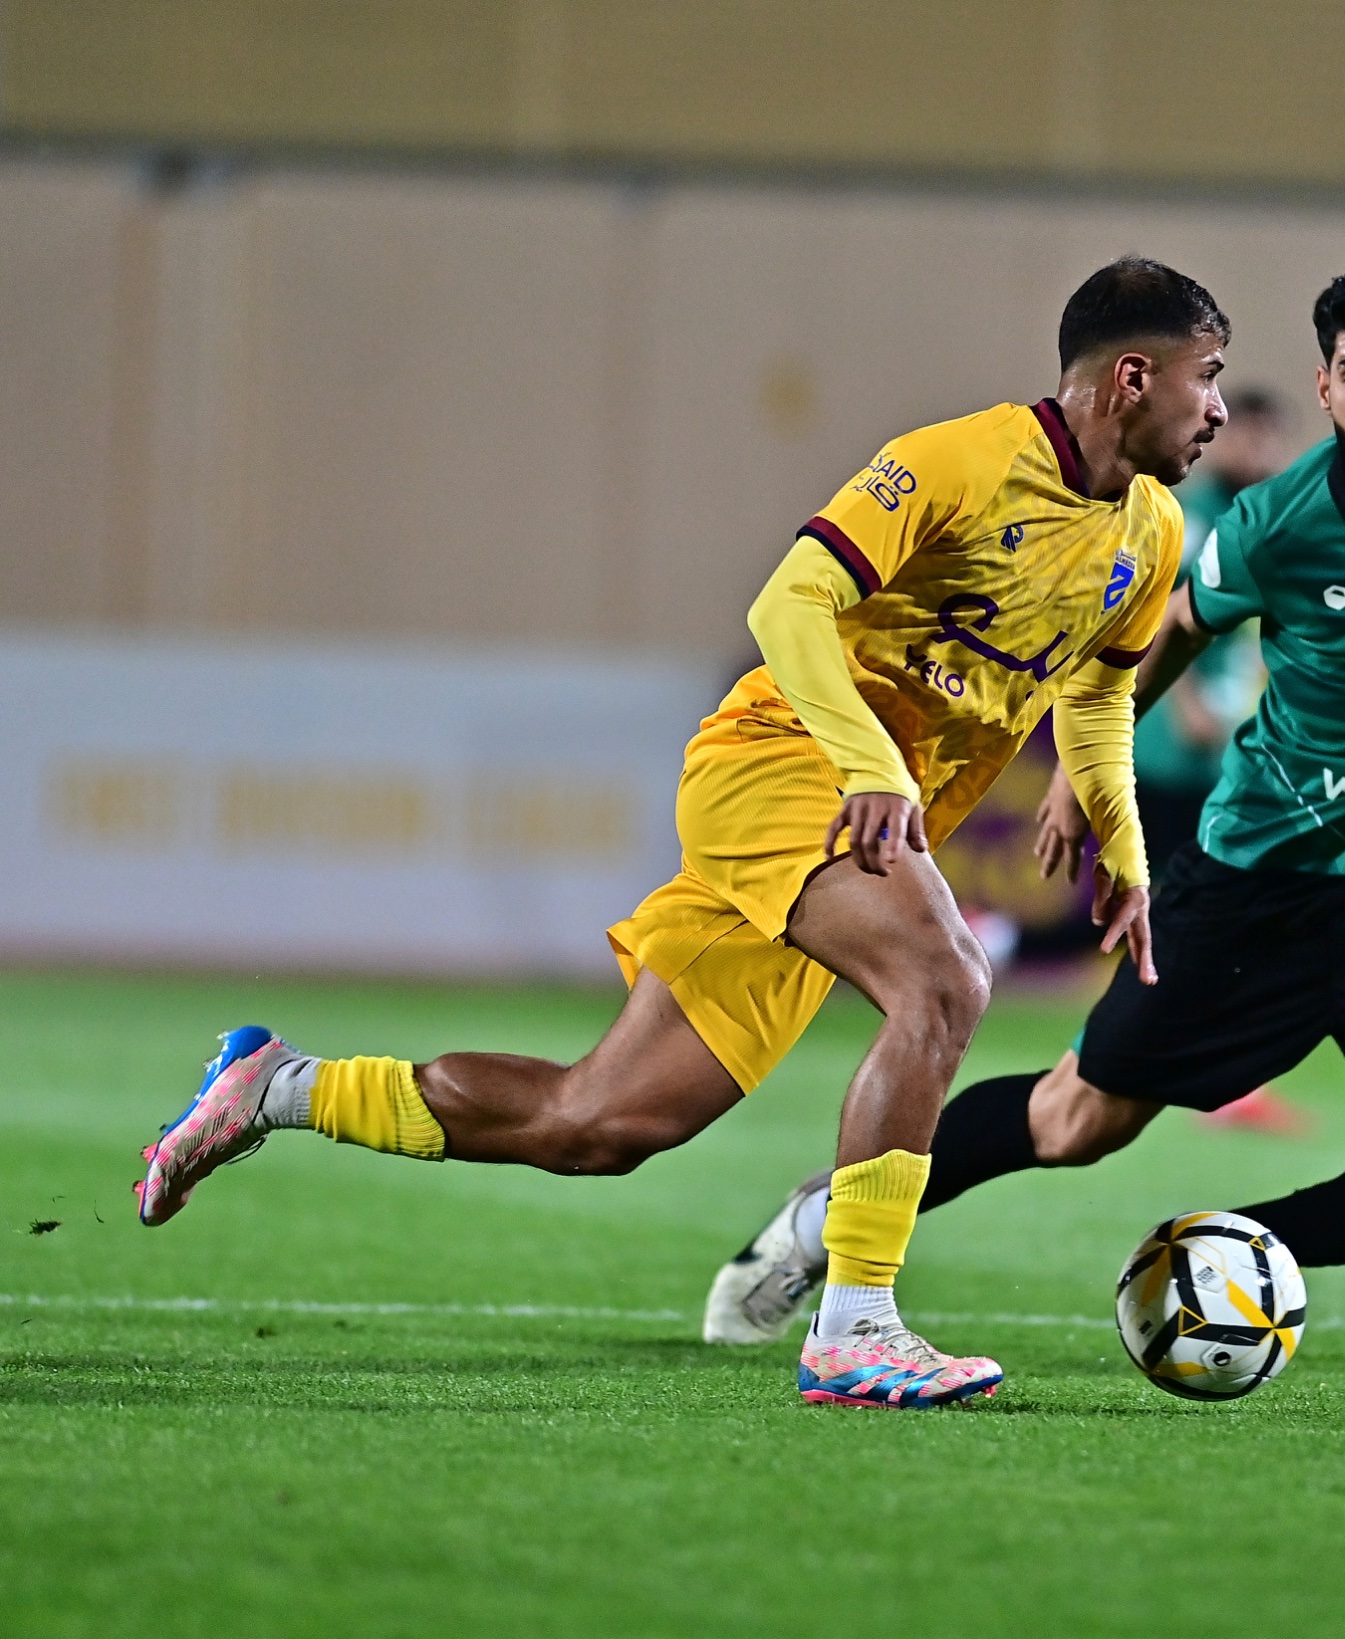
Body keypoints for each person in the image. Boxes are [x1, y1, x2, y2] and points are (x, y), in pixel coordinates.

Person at [137, 256, 1231, 1409]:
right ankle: (855, 1326)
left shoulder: (1149, 530)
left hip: (850, 813)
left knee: (599, 1122)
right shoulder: (954, 460)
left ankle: (274, 1085)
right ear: (1128, 377)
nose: (1214, 407)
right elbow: (786, 605)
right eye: (1205, 378)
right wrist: (871, 766)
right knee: (946, 979)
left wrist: (1123, 839)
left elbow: (1099, 697)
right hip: (774, 766)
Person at [703, 264, 1345, 1348]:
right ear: (1323, 387)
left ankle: (1227, 1251)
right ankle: (816, 1222)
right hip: (1259, 883)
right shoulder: (1276, 524)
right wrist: (1085, 770)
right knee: (1074, 1121)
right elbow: (1166, 635)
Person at [1129, 389, 1289, 861]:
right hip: (1173, 735)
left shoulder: (1279, 519)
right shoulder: (1190, 516)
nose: (1255, 450)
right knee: (1163, 869)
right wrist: (1187, 702)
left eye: (1266, 439)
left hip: (1242, 730)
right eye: (1246, 437)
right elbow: (1154, 608)